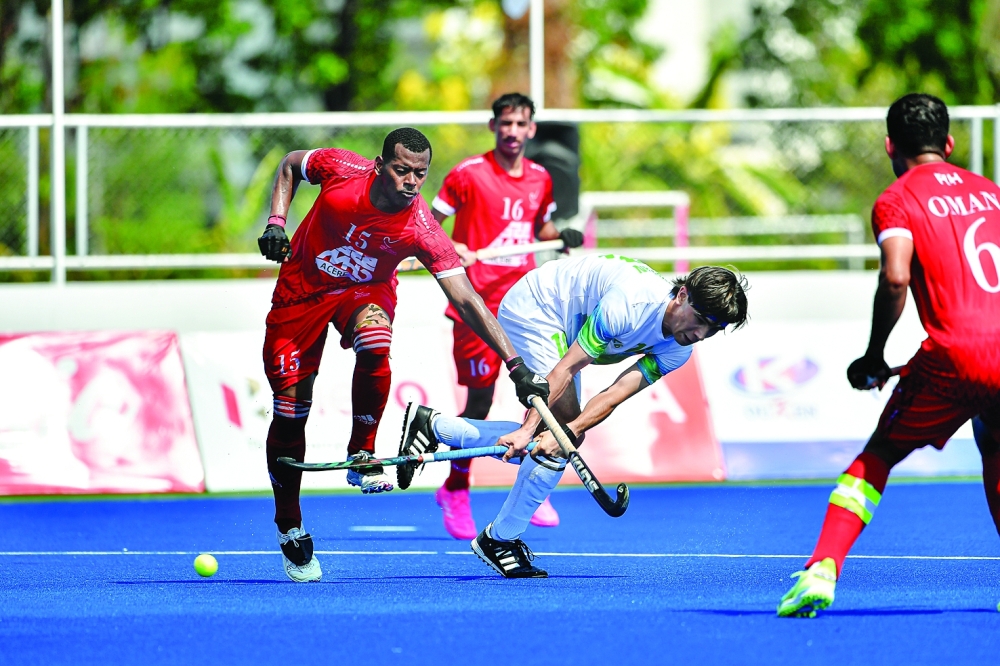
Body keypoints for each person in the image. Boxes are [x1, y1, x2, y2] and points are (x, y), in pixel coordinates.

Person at [256, 127, 550, 583]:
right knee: (291, 413)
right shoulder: (340, 168)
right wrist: (277, 222)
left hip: (365, 294)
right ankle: (289, 524)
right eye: (402, 170)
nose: (412, 181)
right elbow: (292, 162)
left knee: (375, 343)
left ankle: (362, 452)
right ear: (379, 165)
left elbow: (469, 300)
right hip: (301, 294)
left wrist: (516, 366)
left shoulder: (421, 229)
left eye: (420, 173)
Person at [776, 94, 1000, 618]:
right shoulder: (992, 192)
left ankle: (822, 570)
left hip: (956, 356)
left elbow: (896, 276)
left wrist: (874, 356)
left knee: (876, 458)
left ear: (889, 145)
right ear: (949, 144)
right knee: (994, 440)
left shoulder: (897, 199)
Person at [398, 254, 749, 577]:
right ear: (682, 295)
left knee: (565, 437)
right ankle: (499, 539)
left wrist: (568, 432)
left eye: (713, 329)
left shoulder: (680, 349)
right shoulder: (631, 304)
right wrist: (530, 427)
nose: (700, 335)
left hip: (566, 327)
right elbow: (567, 367)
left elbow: (614, 395)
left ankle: (434, 425)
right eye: (701, 320)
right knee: (556, 431)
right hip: (538, 308)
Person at [428, 92, 584, 539]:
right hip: (477, 308)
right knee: (478, 402)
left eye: (521, 124)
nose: (513, 131)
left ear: (532, 129)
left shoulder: (540, 178)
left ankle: (534, 489)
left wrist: (563, 234)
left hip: (527, 307)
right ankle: (456, 487)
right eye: (506, 123)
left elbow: (540, 230)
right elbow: (429, 223)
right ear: (494, 126)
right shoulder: (467, 174)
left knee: (542, 397)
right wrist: (449, 244)